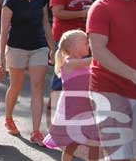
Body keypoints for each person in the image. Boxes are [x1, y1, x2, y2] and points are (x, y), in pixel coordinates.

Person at [87, 0, 136, 161]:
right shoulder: (101, 8)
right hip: (110, 90)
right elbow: (98, 51)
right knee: (119, 156)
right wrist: (132, 74)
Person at [0, 0, 56, 146]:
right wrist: (1, 60)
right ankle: (8, 118)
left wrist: (52, 47)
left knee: (37, 87)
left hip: (39, 47)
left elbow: (46, 24)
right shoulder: (10, 2)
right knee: (15, 85)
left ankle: (37, 131)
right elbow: (3, 32)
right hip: (16, 48)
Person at [43, 30, 101, 161]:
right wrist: (102, 54)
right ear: (73, 48)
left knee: (94, 142)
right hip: (73, 111)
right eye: (86, 43)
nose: (89, 45)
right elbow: (90, 61)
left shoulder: (83, 64)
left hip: (87, 109)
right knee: (72, 143)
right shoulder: (69, 63)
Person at [49, 0, 93, 91]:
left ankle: (77, 97)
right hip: (65, 38)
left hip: (81, 38)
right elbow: (57, 12)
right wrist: (80, 13)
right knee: (63, 69)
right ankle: (54, 100)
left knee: (80, 70)